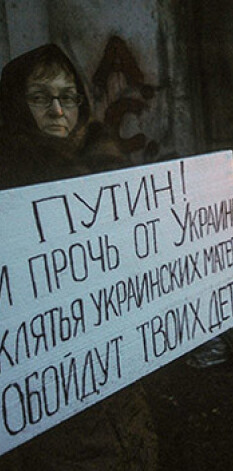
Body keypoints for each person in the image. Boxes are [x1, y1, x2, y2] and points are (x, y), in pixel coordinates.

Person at [0, 44, 158, 470]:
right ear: (16, 103)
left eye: (67, 96)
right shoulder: (7, 175)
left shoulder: (103, 160)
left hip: (115, 373)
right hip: (42, 391)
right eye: (39, 97)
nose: (57, 109)